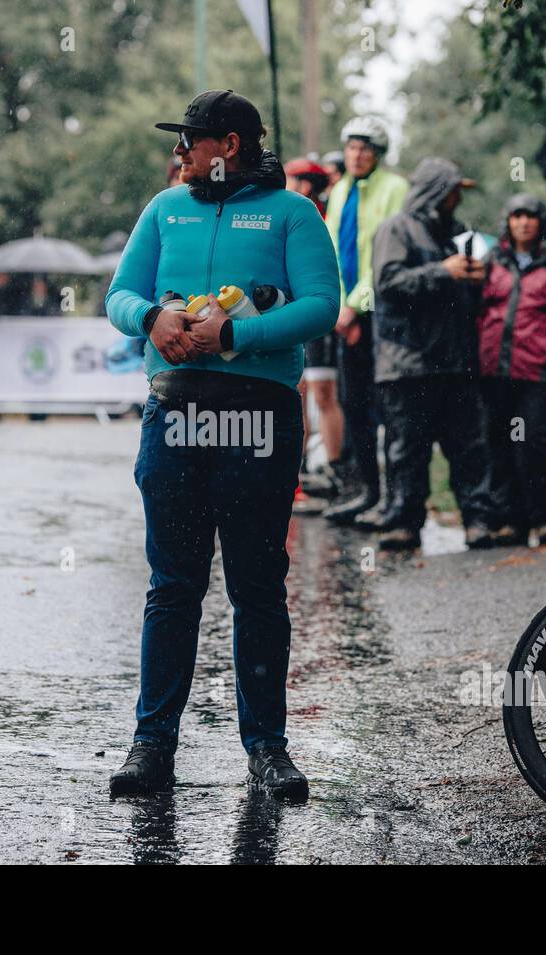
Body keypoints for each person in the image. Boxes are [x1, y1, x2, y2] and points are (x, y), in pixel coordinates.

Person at [104, 89, 339, 801]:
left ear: (227, 145)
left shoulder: (293, 213)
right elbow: (118, 295)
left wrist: (236, 333)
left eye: (190, 142)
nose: (179, 154)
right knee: (172, 586)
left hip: (259, 420)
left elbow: (321, 305)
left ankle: (267, 748)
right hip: (174, 417)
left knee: (257, 588)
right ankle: (152, 745)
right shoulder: (163, 209)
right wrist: (150, 317)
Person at [368, 157, 496, 550]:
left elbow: (464, 294)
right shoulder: (396, 229)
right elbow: (387, 282)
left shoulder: (457, 233)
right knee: (408, 448)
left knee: (469, 446)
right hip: (406, 362)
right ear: (435, 190)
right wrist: (445, 271)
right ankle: (404, 523)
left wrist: (473, 279)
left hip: (455, 361)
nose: (458, 197)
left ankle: (478, 521)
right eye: (454, 189)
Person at [476, 194, 546, 546]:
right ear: (508, 222)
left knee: (532, 443)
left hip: (537, 373)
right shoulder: (493, 262)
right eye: (516, 215)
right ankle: (509, 522)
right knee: (499, 445)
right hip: (495, 372)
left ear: (541, 222)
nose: (523, 222)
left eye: (530, 216)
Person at [322, 116, 410, 525]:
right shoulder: (340, 190)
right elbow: (334, 253)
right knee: (350, 402)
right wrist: (340, 308)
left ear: (378, 154)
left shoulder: (396, 188)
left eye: (365, 149)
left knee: (387, 408)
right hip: (345, 315)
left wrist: (356, 305)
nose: (357, 155)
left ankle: (396, 499)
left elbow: (388, 255)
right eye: (352, 147)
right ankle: (365, 490)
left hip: (381, 313)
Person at [285, 158, 347, 508]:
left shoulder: (319, 220)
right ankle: (295, 474)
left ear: (305, 185)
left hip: (320, 317)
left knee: (323, 393)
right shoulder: (294, 215)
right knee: (299, 392)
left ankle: (334, 471)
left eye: (291, 181)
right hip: (296, 315)